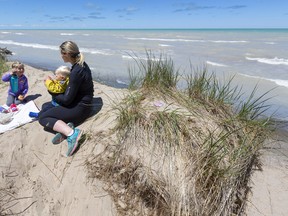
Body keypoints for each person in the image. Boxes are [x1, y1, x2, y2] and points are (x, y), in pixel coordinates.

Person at [38, 41, 94, 157]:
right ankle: (65, 127)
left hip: (81, 108)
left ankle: (72, 134)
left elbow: (66, 100)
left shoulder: (76, 72)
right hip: (81, 103)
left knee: (43, 117)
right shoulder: (81, 64)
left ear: (67, 53)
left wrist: (51, 90)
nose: (61, 56)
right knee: (45, 107)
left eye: (62, 53)